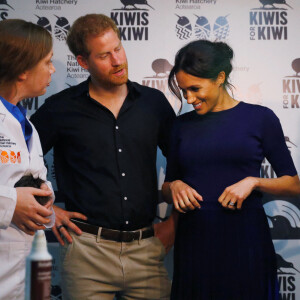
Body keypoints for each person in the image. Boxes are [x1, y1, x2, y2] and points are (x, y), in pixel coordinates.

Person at [30, 14, 176, 300]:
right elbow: (19, 161)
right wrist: (49, 212)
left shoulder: (153, 103)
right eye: (104, 55)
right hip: (86, 253)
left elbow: (185, 161)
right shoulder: (60, 108)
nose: (117, 60)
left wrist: (174, 224)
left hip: (146, 249)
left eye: (118, 48)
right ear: (83, 62)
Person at [162, 40, 300, 300]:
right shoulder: (180, 126)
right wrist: (175, 186)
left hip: (245, 241)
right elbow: (168, 187)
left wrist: (254, 182)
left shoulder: (260, 118)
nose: (189, 99)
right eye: (183, 91)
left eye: (195, 89)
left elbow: (293, 184)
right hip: (195, 243)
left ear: (220, 78)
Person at [0, 19, 56, 300]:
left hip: (29, 272)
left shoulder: (27, 124)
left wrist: (43, 201)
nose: (52, 70)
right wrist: (12, 202)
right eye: (47, 62)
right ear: (23, 69)